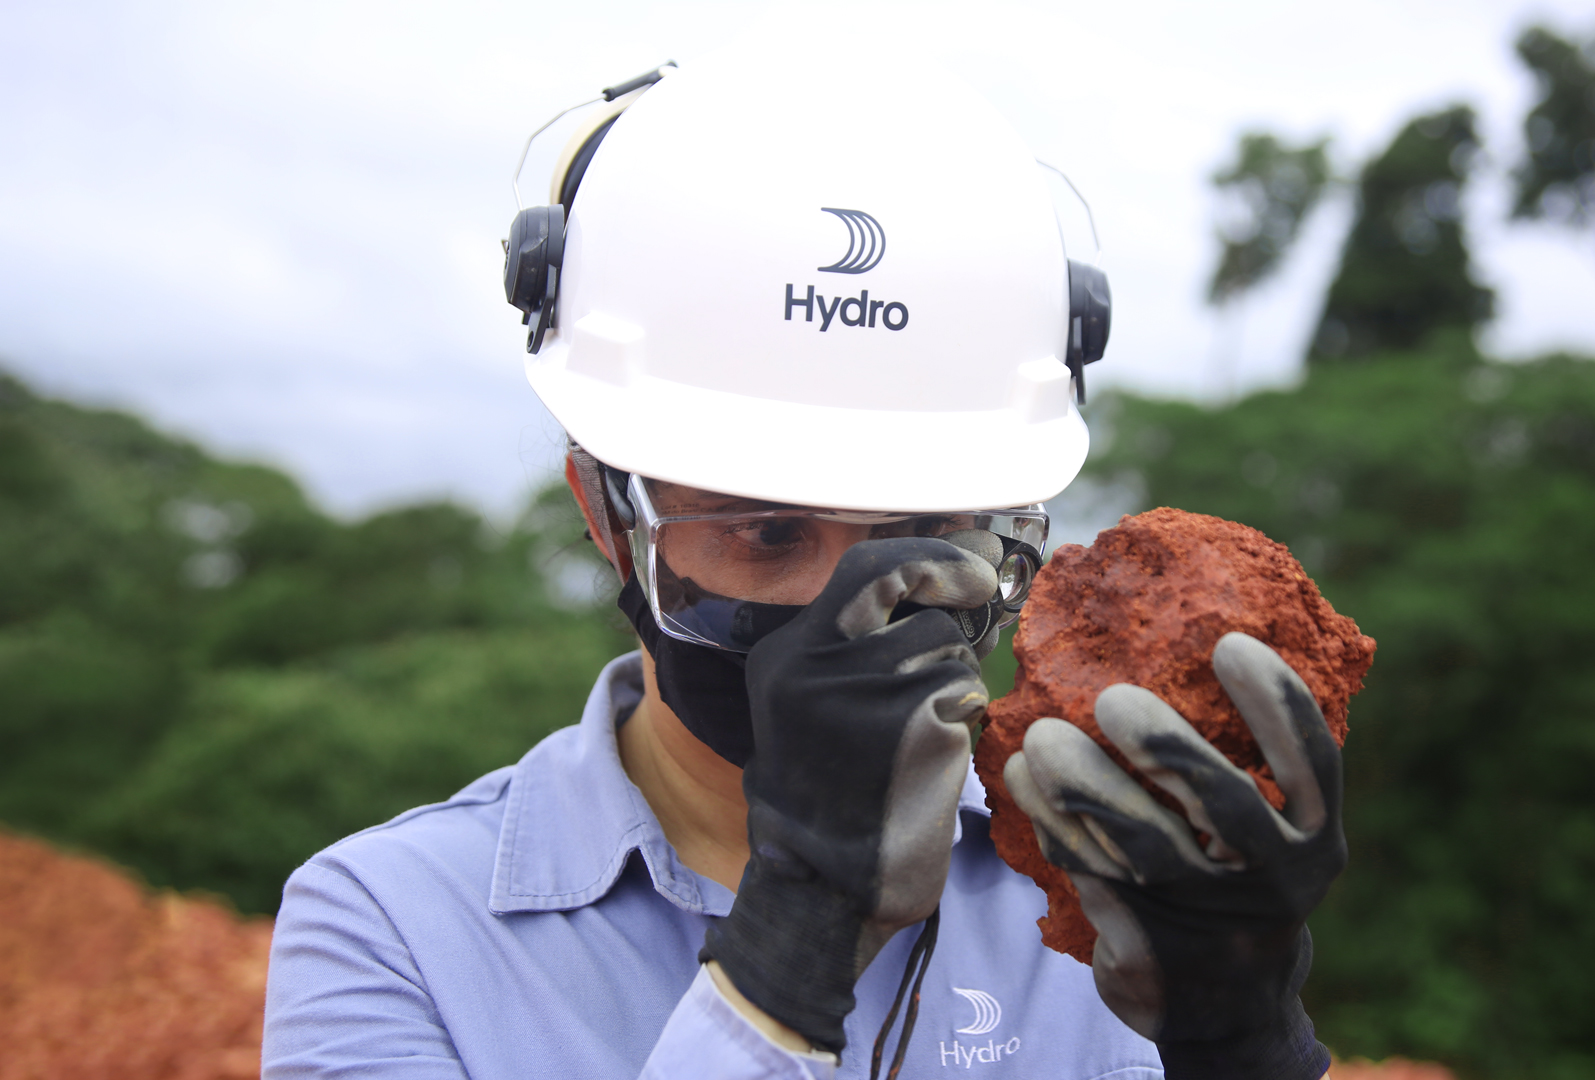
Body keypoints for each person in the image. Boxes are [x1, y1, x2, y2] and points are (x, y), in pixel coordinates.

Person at [263, 29, 1346, 1080]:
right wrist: (787, 955)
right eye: (766, 532)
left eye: (924, 534)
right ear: (604, 515)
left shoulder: (1100, 892)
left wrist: (1243, 1050)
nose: (852, 603)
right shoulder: (396, 929)